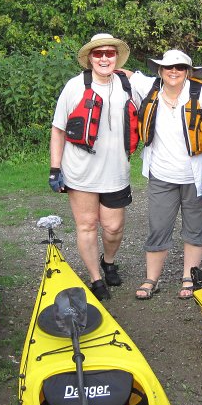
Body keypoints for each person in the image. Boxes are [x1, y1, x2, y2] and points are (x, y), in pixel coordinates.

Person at [49, 33, 141, 301]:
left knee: (113, 228)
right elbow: (58, 130)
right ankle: (96, 278)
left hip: (116, 173)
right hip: (81, 173)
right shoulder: (74, 87)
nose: (104, 58)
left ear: (116, 57)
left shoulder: (128, 85)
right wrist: (56, 169)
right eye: (98, 54)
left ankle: (108, 261)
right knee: (87, 225)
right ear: (90, 58)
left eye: (109, 53)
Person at [125, 50, 202, 300]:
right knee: (158, 227)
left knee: (195, 229)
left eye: (179, 67)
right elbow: (127, 74)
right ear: (160, 70)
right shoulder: (151, 88)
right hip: (161, 175)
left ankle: (189, 276)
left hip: (195, 176)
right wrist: (94, 69)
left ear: (187, 71)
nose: (173, 71)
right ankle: (151, 278)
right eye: (168, 67)